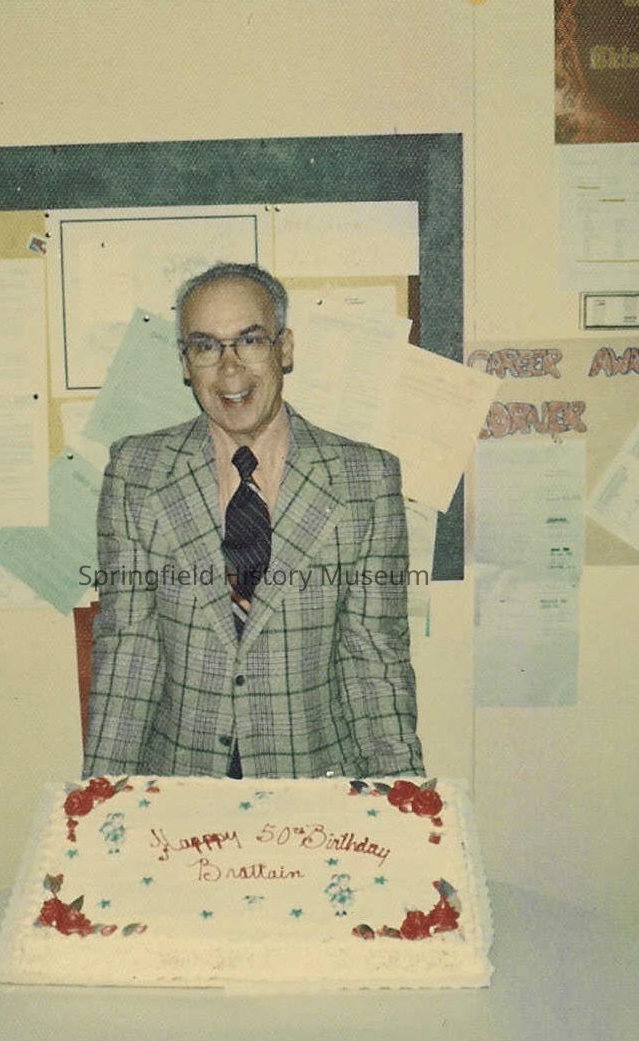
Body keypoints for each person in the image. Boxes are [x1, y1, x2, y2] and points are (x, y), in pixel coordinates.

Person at [82, 262, 422, 780]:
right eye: (205, 346)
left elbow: (374, 658)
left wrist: (404, 797)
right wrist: (100, 796)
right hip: (182, 782)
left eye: (250, 340)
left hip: (314, 780)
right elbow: (128, 652)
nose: (230, 369)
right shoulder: (137, 473)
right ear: (185, 363)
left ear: (284, 349)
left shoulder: (365, 480)